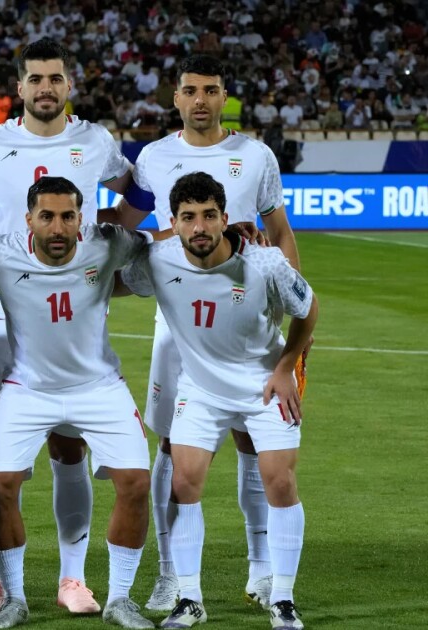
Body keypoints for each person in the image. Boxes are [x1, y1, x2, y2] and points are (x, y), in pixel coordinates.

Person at [0, 37, 151, 615]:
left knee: (70, 447)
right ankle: (1, 581)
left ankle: (73, 579)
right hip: (7, 310)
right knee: (1, 458)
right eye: (35, 79)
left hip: (77, 311)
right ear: (20, 87)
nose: (46, 88)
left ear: (69, 85)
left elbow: (137, 192)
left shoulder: (94, 140)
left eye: (55, 78)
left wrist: (107, 233)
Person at [105, 53, 302, 613]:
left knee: (253, 441)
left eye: (210, 90)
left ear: (223, 96)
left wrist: (288, 301)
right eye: (190, 90)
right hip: (178, 324)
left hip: (248, 321)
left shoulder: (256, 155)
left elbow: (280, 231)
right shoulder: (154, 158)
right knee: (173, 444)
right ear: (176, 97)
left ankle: (262, 569)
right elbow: (125, 231)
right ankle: (171, 575)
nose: (200, 100)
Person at [121, 172, 316, 630]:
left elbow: (308, 310)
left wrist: (285, 368)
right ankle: (189, 598)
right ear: (173, 223)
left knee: (280, 483)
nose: (199, 227)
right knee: (183, 481)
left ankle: (283, 598)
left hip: (263, 386)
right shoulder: (158, 259)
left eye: (209, 216)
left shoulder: (265, 263)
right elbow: (115, 277)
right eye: (188, 217)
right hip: (201, 389)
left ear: (225, 218)